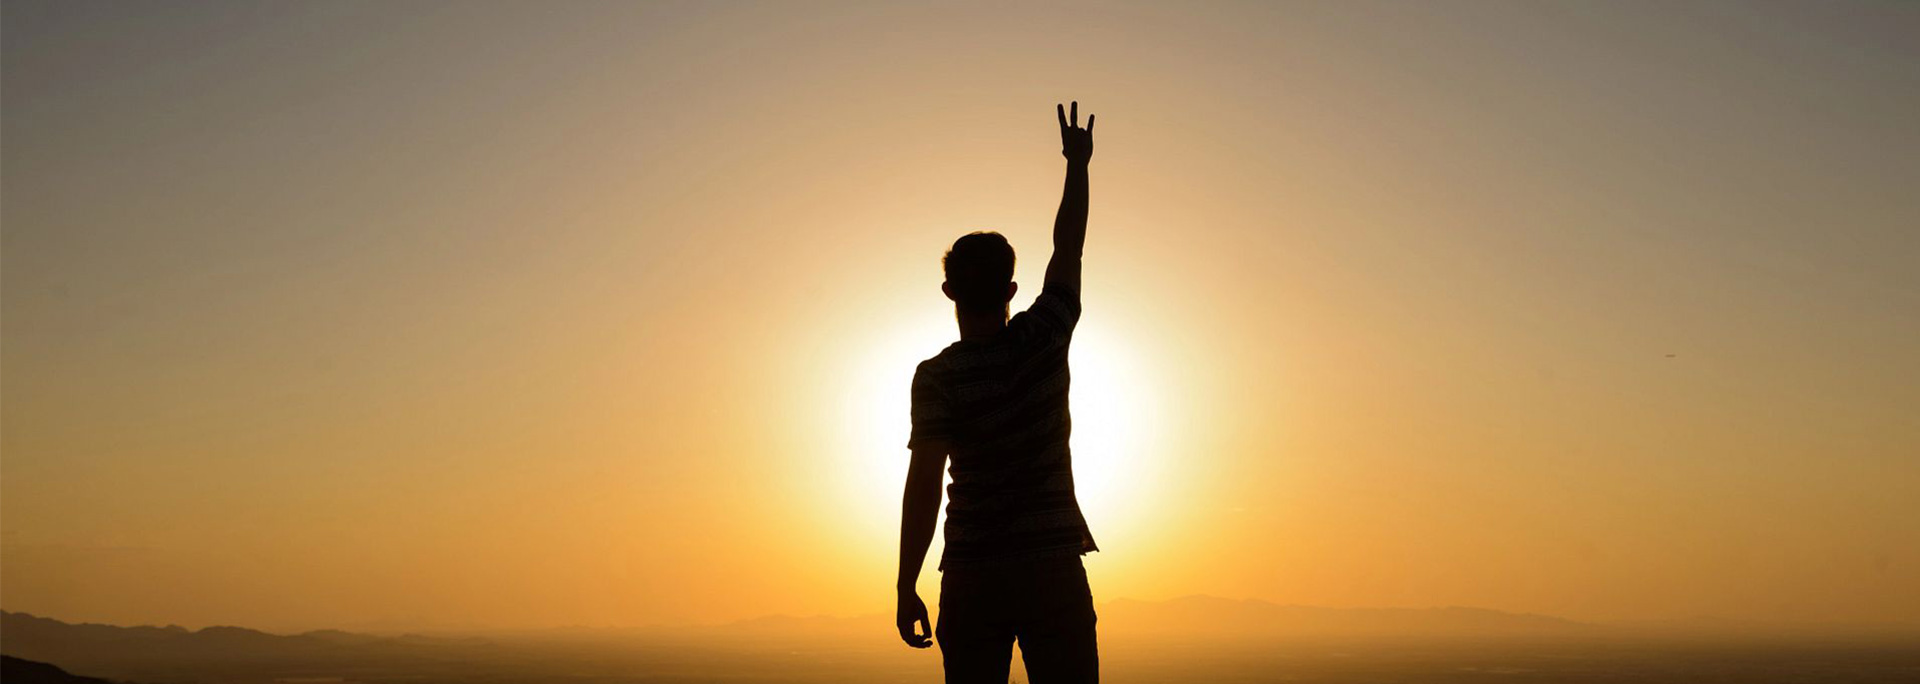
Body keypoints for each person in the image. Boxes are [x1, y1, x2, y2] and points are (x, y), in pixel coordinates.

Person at [896, 102, 1099, 684]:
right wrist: (1077, 165)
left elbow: (924, 486)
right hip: (1051, 567)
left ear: (947, 291)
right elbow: (1068, 249)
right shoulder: (1044, 337)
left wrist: (907, 583)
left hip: (973, 572)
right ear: (1012, 287)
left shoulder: (935, 377)